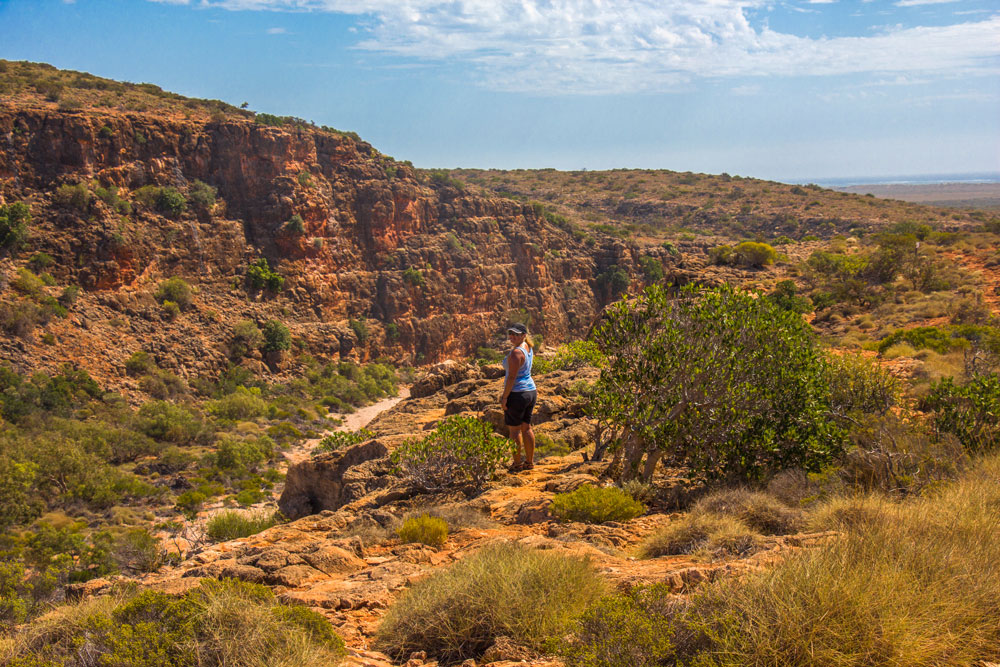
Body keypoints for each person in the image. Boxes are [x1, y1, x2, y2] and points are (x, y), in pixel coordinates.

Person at [501, 322, 537, 471]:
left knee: (514, 431)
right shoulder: (528, 348)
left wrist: (504, 397)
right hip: (531, 391)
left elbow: (511, 378)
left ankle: (517, 464)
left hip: (518, 394)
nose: (512, 336)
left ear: (524, 335)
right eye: (511, 333)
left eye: (516, 334)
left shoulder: (516, 353)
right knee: (526, 428)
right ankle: (529, 462)